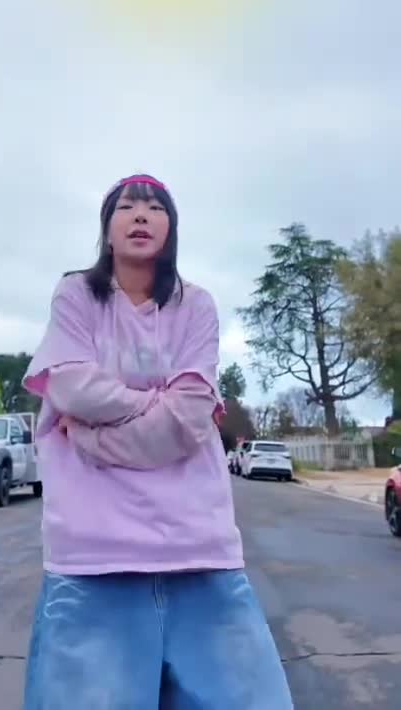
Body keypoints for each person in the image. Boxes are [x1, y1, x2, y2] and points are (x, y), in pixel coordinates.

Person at [22, 174, 293, 709]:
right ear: (107, 228)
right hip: (92, 558)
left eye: (155, 207)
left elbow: (188, 420)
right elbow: (71, 388)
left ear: (172, 229)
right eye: (127, 206)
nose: (141, 214)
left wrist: (92, 438)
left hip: (199, 551)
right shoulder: (76, 295)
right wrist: (157, 403)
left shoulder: (197, 306)